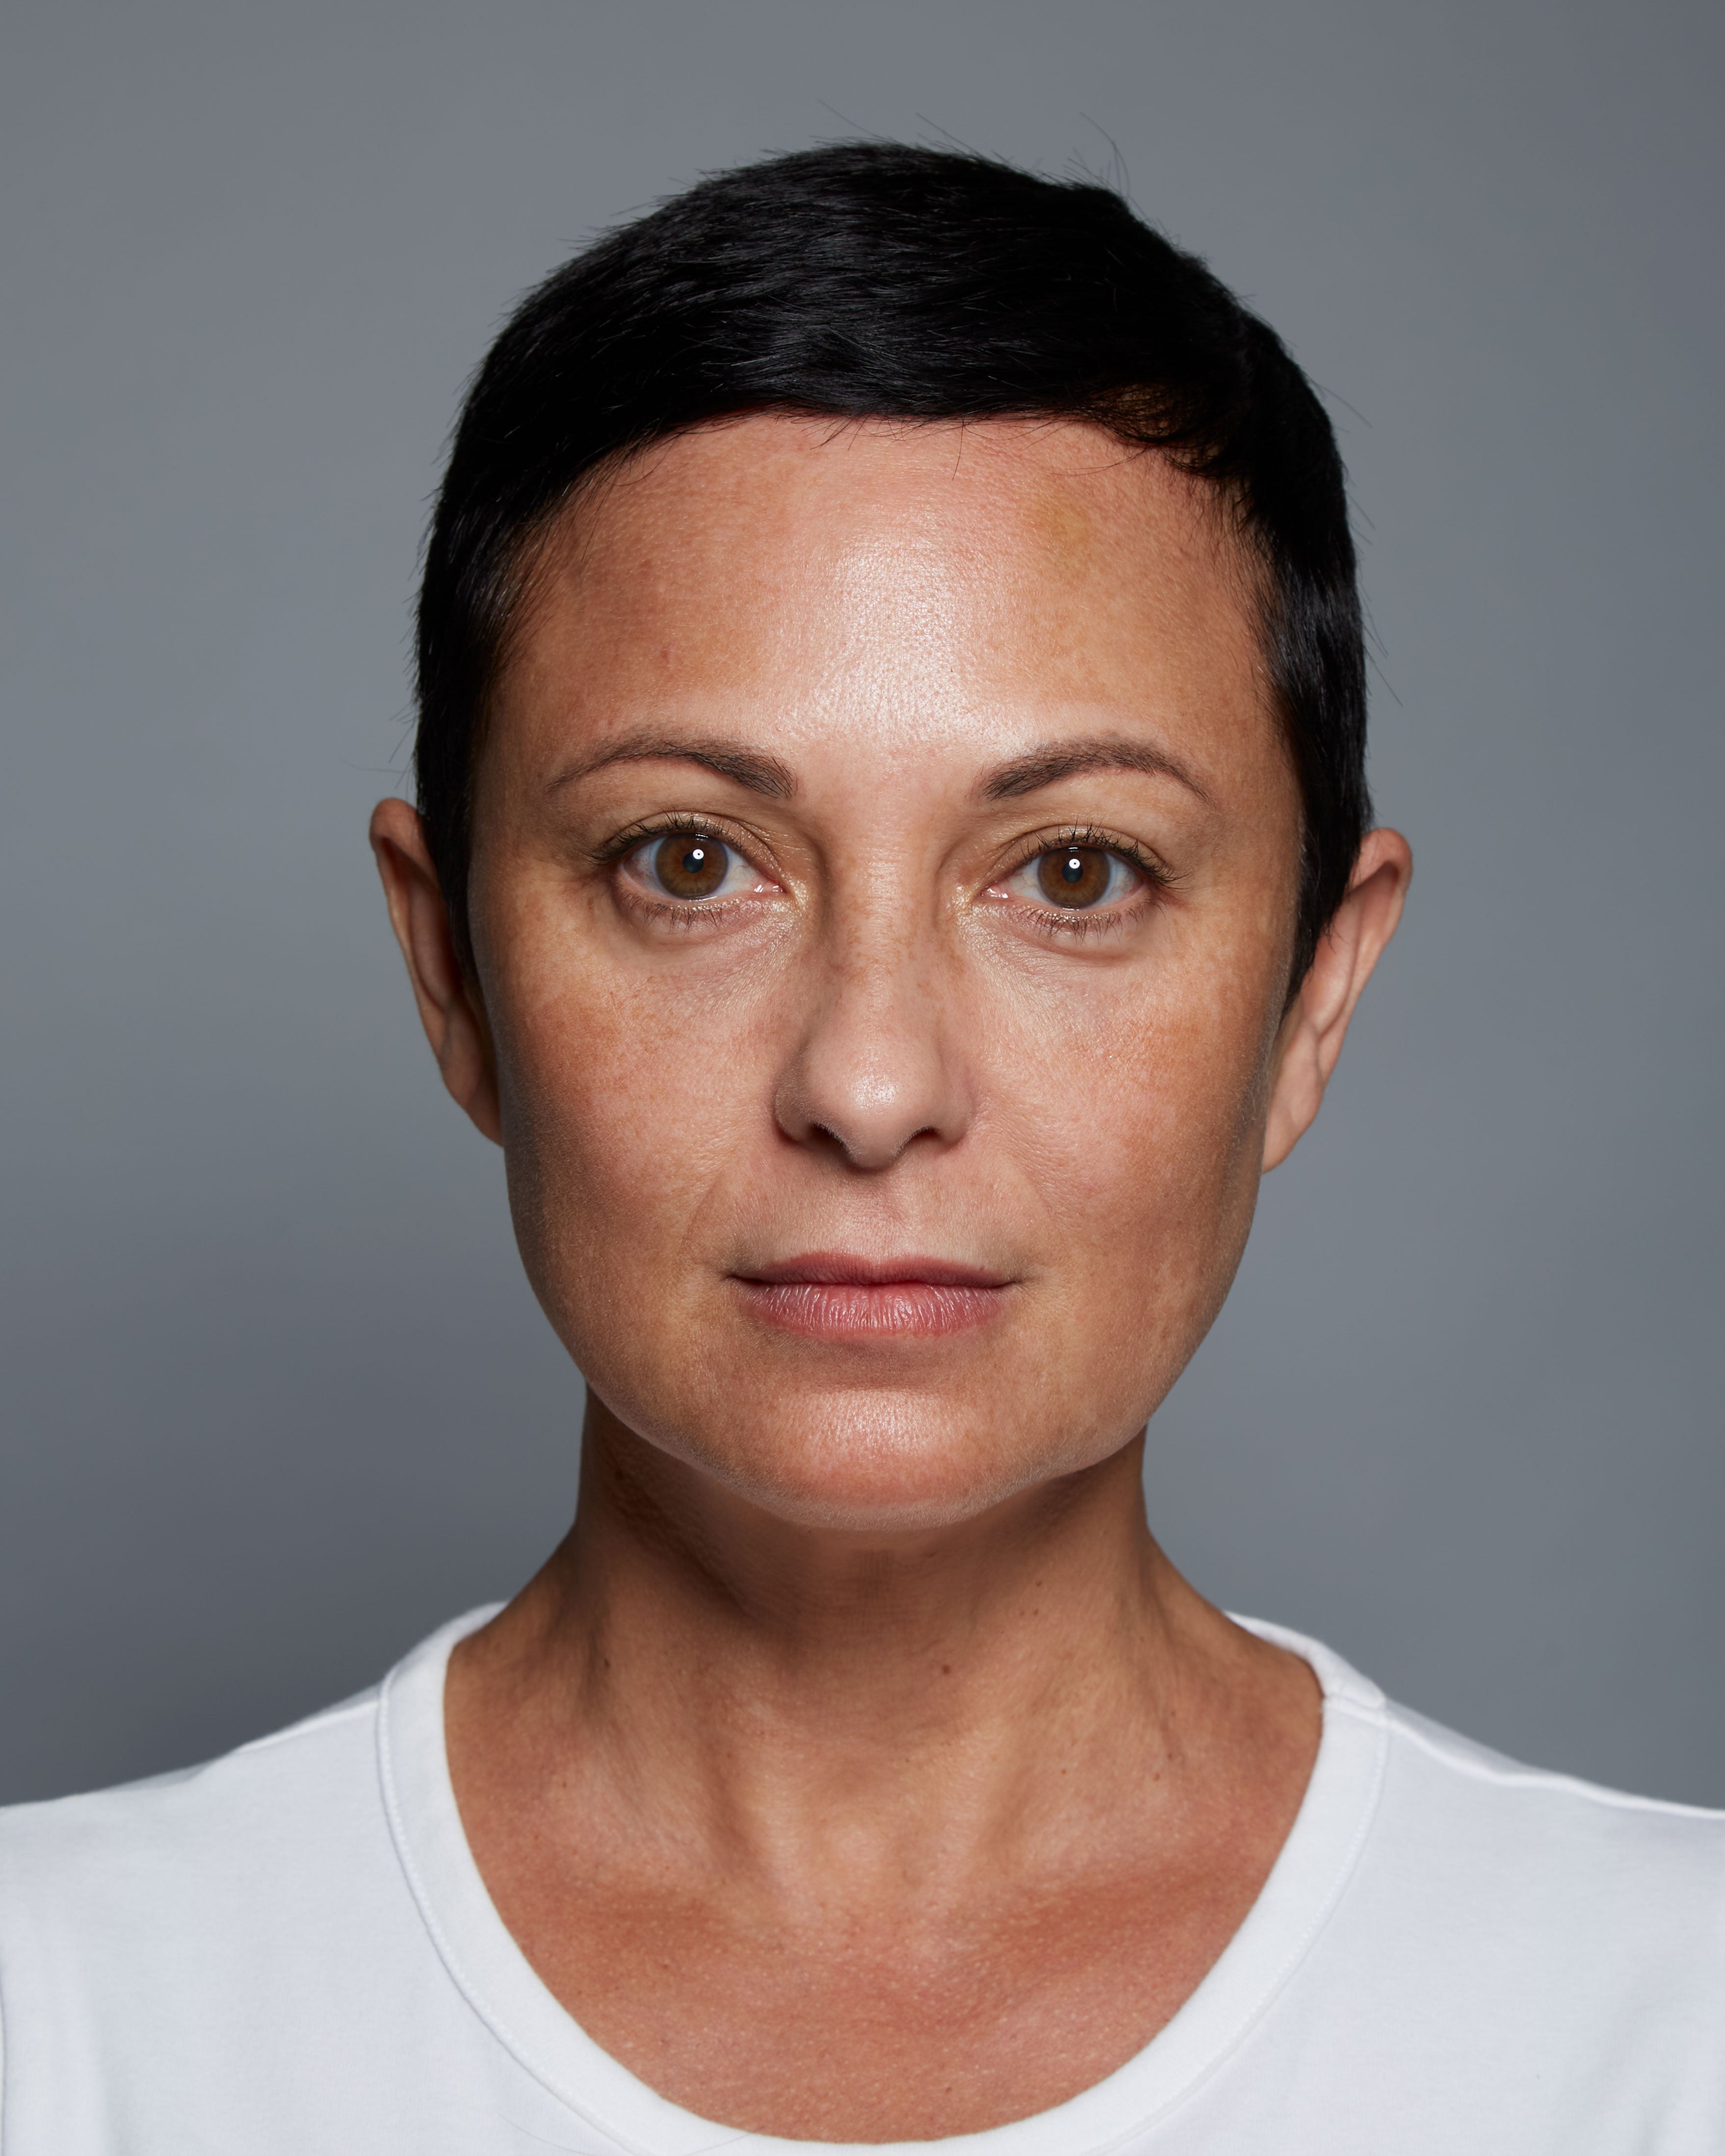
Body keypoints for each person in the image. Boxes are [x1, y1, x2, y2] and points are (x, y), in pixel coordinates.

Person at [0, 143, 1720, 2156]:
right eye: (691, 861)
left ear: (1313, 994)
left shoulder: (1670, 2029)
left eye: (1076, 870)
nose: (874, 1081)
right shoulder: (61, 2017)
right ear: (449, 963)